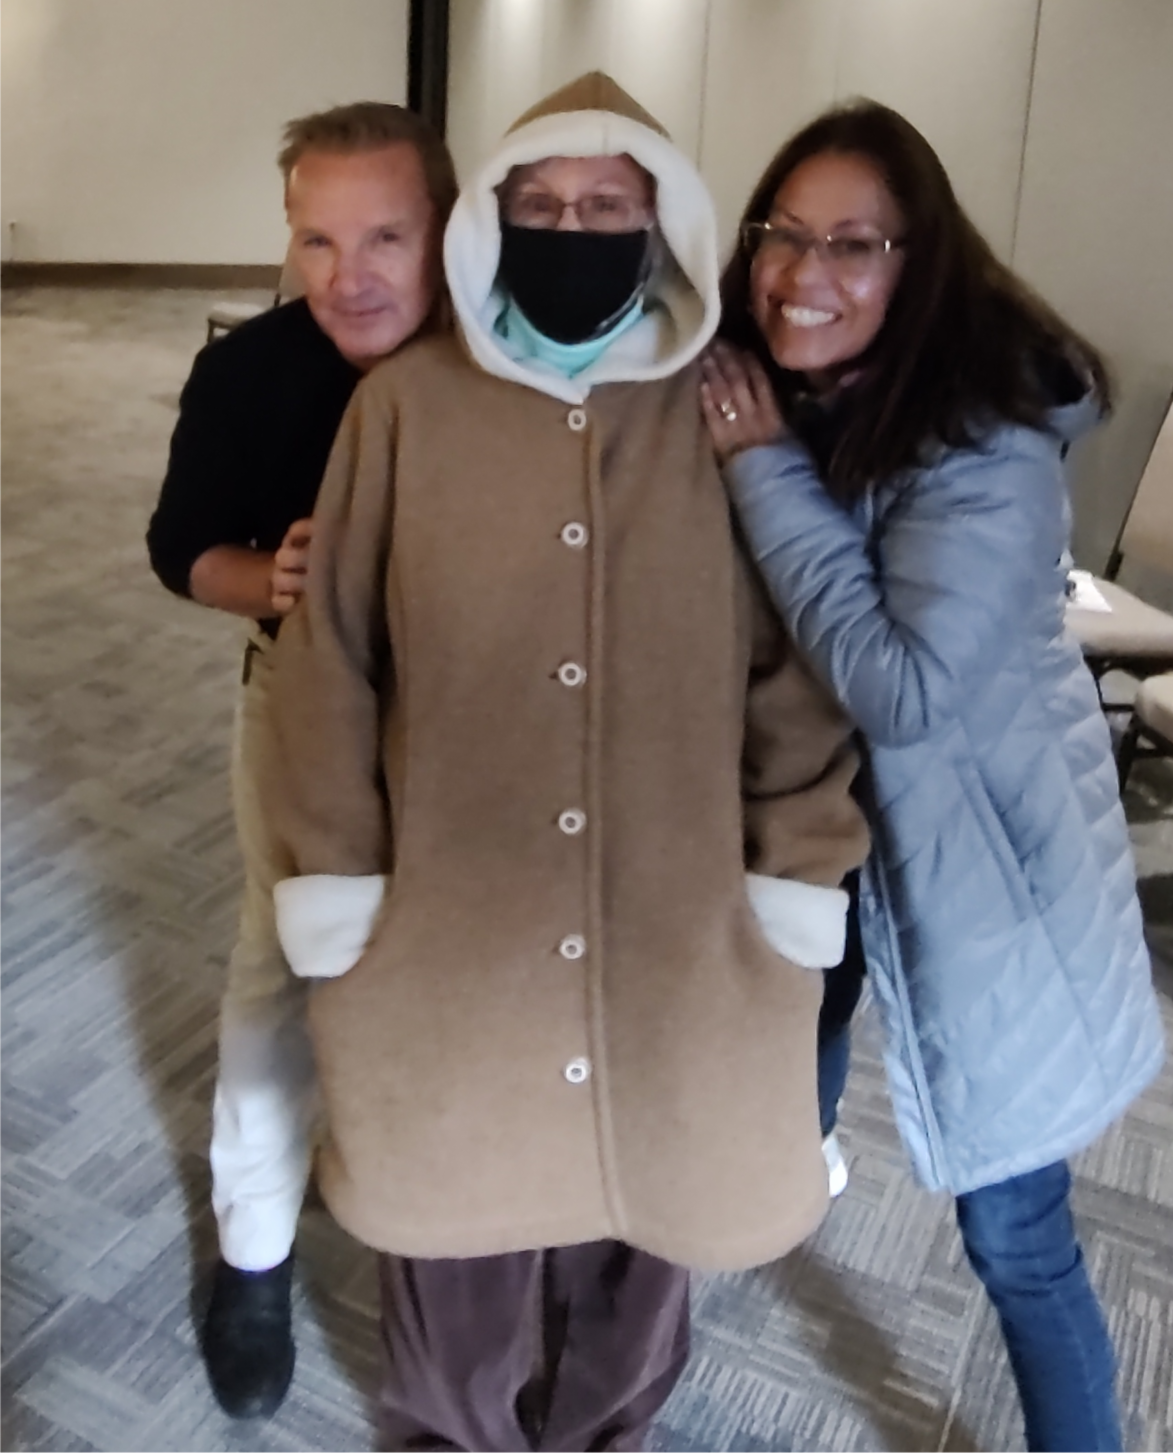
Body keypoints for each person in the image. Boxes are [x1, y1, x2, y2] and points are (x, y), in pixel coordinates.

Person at [263, 72, 869, 1453]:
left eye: (606, 205)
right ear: (491, 218)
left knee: (646, 1226)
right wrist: (337, 874)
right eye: (538, 204)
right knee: (456, 1227)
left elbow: (795, 673)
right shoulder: (408, 407)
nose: (571, 228)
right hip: (454, 917)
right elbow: (330, 658)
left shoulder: (726, 410)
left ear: (663, 220)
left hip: (679, 914)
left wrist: (794, 875)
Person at [700, 99, 1165, 1453]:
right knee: (792, 1039)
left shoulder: (981, 442)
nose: (804, 272)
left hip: (989, 874)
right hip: (837, 839)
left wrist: (762, 472)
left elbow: (902, 692)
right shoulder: (800, 390)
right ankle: (795, 1172)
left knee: (1015, 1233)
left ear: (920, 264)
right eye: (783, 233)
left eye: (853, 243)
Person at [146, 101, 457, 1420]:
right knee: (276, 968)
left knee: (450, 974)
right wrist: (265, 580)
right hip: (300, 703)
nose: (349, 275)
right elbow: (181, 549)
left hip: (470, 722)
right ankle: (256, 1256)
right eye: (317, 240)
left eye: (386, 236)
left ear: (449, 230)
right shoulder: (249, 374)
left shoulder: (500, 364)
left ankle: (446, 1244)